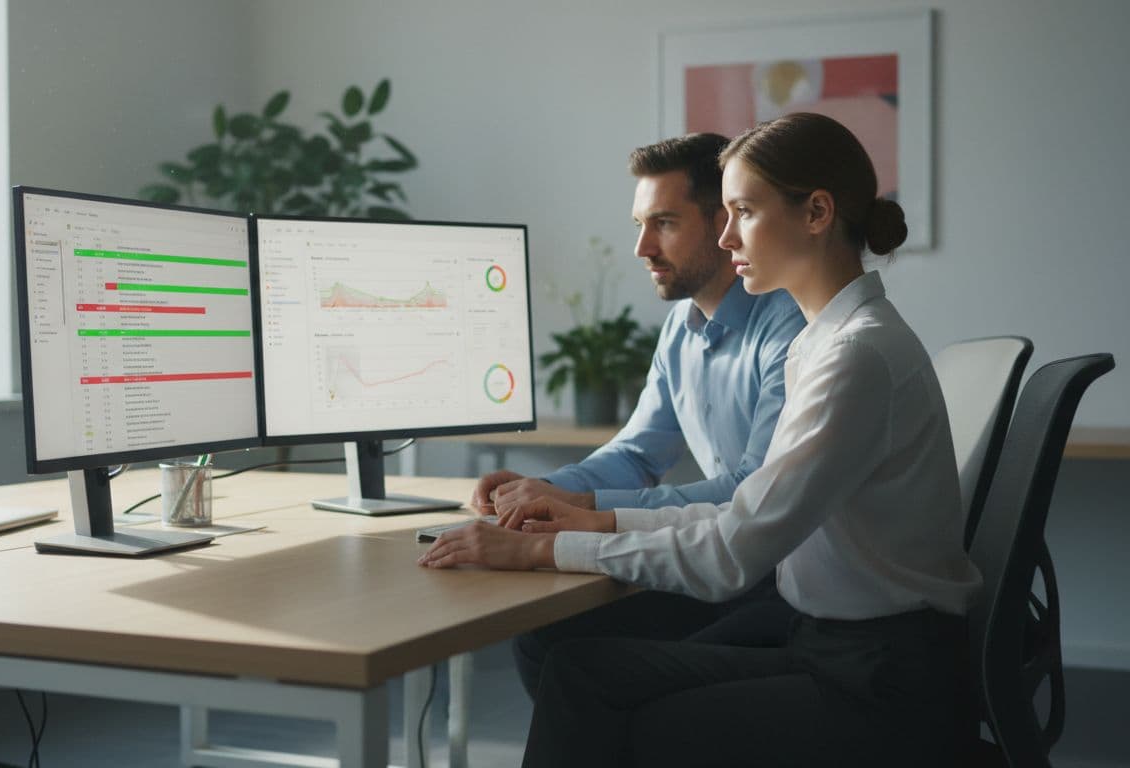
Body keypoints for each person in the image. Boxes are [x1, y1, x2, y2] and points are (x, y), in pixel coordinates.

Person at [419, 112, 982, 767]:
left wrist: (545, 551)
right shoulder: (825, 342)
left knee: (587, 687)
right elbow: (740, 511)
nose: (726, 232)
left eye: (742, 210)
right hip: (838, 639)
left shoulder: (853, 358)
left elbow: (732, 550)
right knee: (580, 670)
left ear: (817, 213)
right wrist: (580, 518)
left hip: (879, 676)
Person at [472, 133, 806, 696]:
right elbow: (637, 453)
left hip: (781, 583)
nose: (642, 248)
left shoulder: (789, 325)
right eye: (639, 225)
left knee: (571, 656)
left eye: (665, 224)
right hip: (718, 560)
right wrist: (543, 488)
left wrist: (580, 505)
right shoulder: (681, 327)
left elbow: (753, 488)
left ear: (725, 223)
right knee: (542, 638)